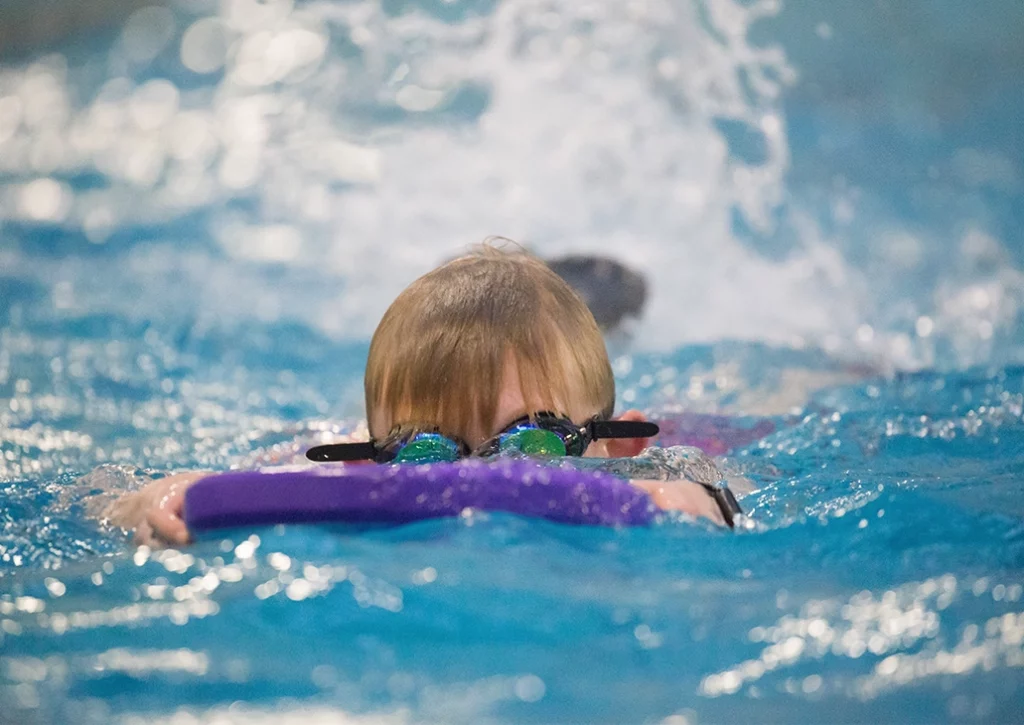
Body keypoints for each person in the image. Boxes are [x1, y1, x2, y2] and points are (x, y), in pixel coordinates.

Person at [108, 244, 730, 546]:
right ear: (362, 464)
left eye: (533, 442)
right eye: (428, 454)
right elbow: (96, 491)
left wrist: (690, 501)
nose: (471, 484)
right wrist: (147, 497)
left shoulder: (657, 460)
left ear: (616, 448)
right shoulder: (329, 458)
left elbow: (718, 496)